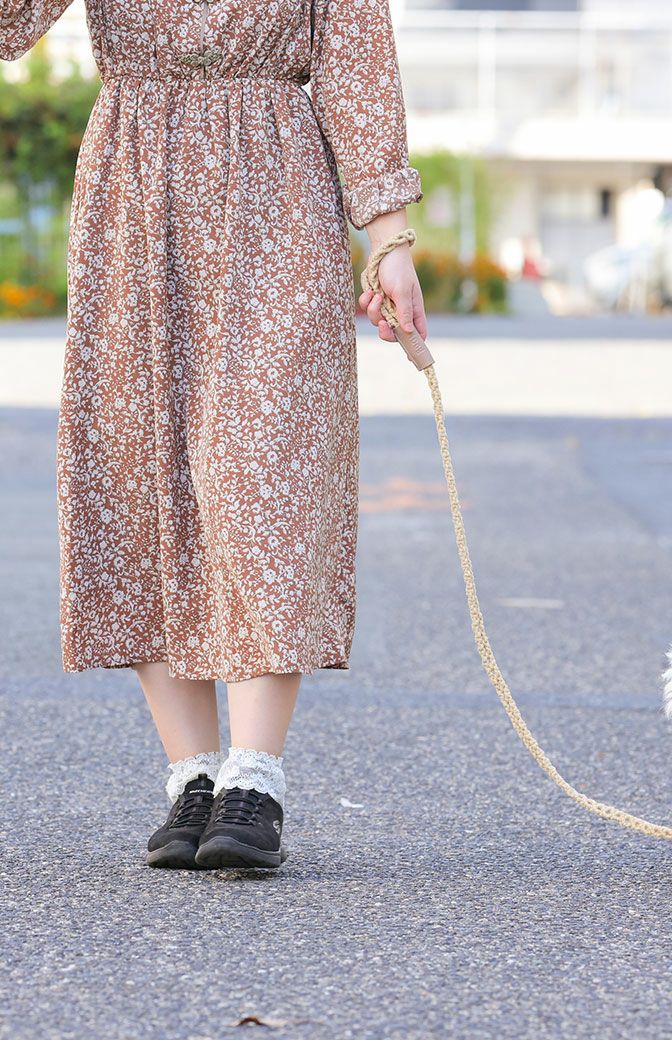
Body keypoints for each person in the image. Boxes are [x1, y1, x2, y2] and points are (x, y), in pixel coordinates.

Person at [1, 0, 427, 869]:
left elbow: (355, 61)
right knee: (140, 465)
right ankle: (193, 778)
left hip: (276, 189)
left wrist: (391, 241)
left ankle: (255, 778)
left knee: (268, 464)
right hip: (132, 183)